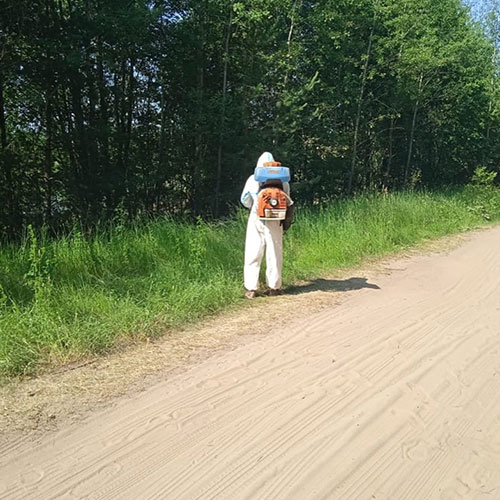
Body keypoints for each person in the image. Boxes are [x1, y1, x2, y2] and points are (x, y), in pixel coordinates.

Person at [240, 152, 294, 299]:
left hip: (256, 217)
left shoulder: (253, 179)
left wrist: (256, 206)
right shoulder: (283, 181)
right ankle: (274, 288)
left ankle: (251, 288)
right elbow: (288, 200)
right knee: (275, 252)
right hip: (276, 219)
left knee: (253, 251)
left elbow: (245, 200)